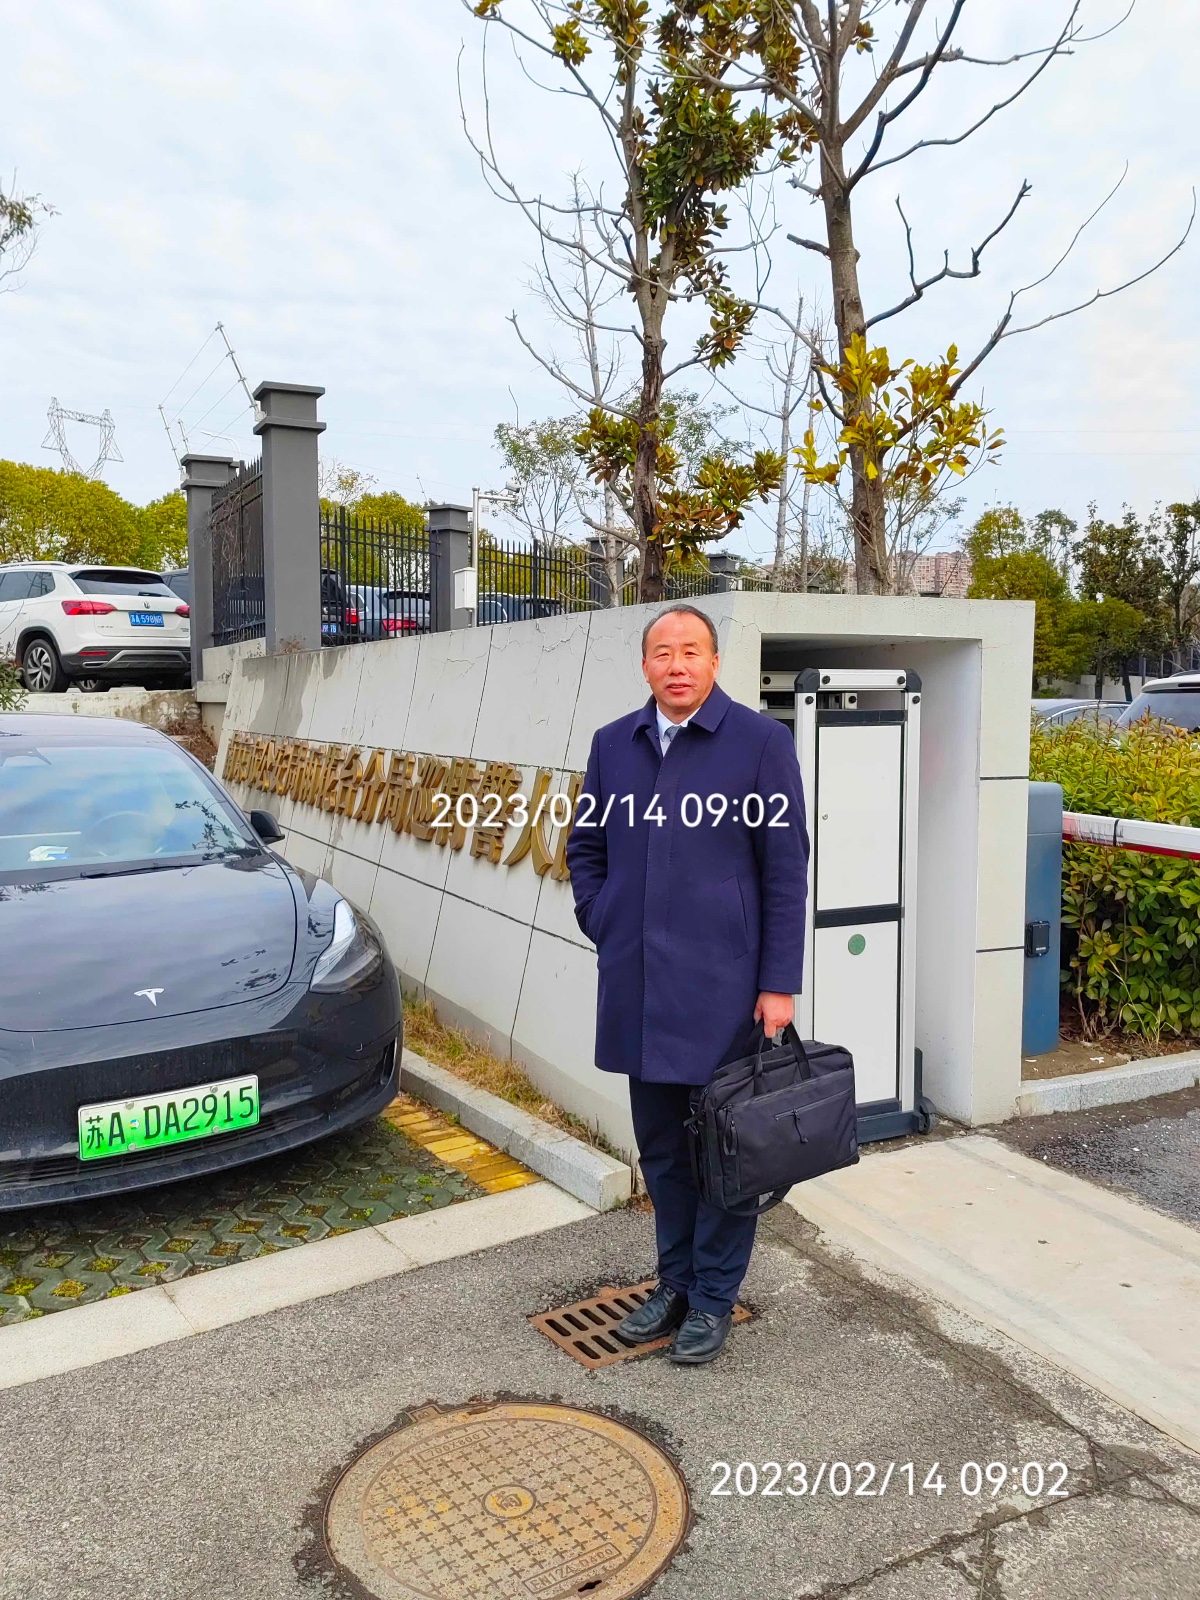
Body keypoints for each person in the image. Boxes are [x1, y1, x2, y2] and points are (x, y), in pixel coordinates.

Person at [566, 602, 809, 1364]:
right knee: (664, 1150)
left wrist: (778, 982)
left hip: (726, 989)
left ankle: (712, 1296)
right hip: (639, 982)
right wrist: (602, 915)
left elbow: (785, 871)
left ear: (713, 663)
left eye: (691, 651)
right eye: (663, 652)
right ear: (645, 665)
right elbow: (587, 844)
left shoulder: (761, 744)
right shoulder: (615, 744)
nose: (677, 665)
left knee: (726, 1157)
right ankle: (672, 1283)